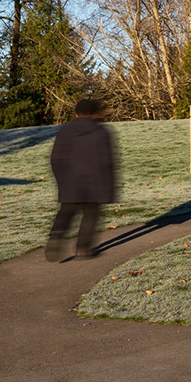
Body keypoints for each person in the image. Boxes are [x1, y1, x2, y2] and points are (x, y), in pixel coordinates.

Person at [47, 97, 117, 261]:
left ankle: (56, 236)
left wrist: (61, 179)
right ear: (93, 114)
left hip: (70, 181)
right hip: (95, 182)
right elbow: (107, 162)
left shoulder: (65, 131)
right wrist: (109, 187)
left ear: (76, 114)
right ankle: (83, 248)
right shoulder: (101, 132)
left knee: (66, 211)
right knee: (90, 214)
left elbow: (55, 158)